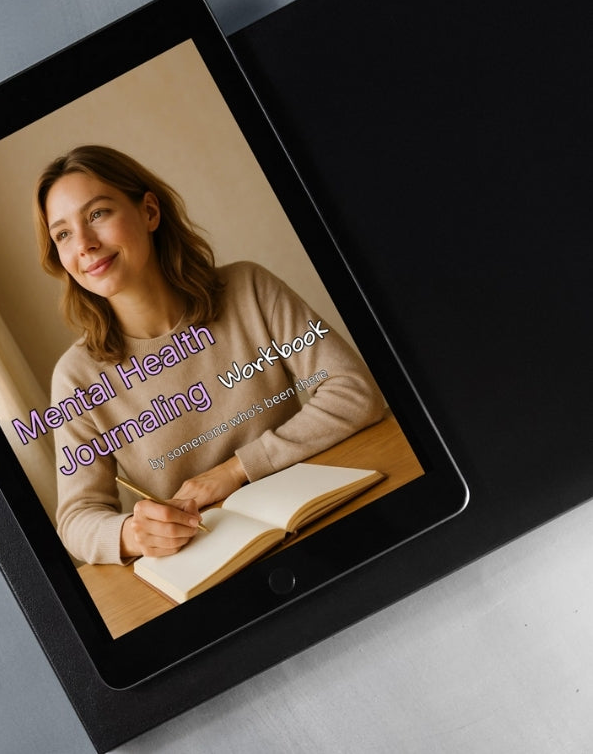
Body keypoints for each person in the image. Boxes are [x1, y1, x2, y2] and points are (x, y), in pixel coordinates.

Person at [35, 145, 384, 565]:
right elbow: (77, 518)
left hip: (317, 519)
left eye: (97, 215)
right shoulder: (76, 376)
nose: (85, 244)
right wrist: (133, 533)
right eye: (63, 234)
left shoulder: (248, 288)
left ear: (149, 212)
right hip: (208, 560)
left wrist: (235, 470)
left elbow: (355, 391)